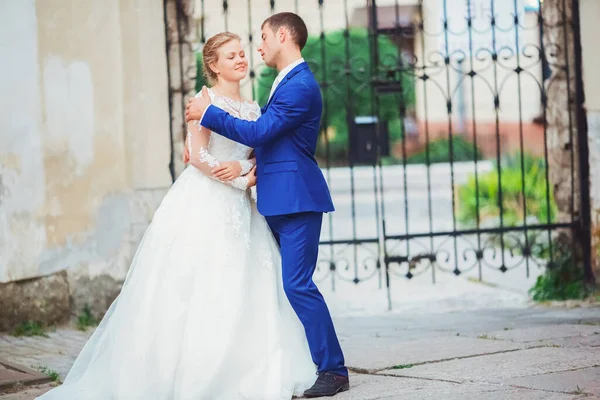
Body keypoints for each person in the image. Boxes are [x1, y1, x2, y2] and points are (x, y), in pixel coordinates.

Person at [37, 32, 318, 400]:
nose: (240, 59)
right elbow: (198, 156)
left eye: (242, 54)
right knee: (194, 283)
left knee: (248, 282)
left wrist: (248, 170)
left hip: (242, 208)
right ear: (213, 65)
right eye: (230, 56)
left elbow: (258, 146)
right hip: (204, 201)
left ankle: (246, 366)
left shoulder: (254, 107)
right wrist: (236, 177)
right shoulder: (202, 101)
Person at [185, 12, 349, 398]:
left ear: (282, 35)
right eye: (237, 52)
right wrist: (243, 165)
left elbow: (259, 131)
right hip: (274, 198)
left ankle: (334, 369)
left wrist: (208, 114)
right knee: (270, 285)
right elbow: (261, 144)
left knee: (296, 285)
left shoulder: (299, 86)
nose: (256, 49)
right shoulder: (284, 82)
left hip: (296, 199)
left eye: (260, 38)